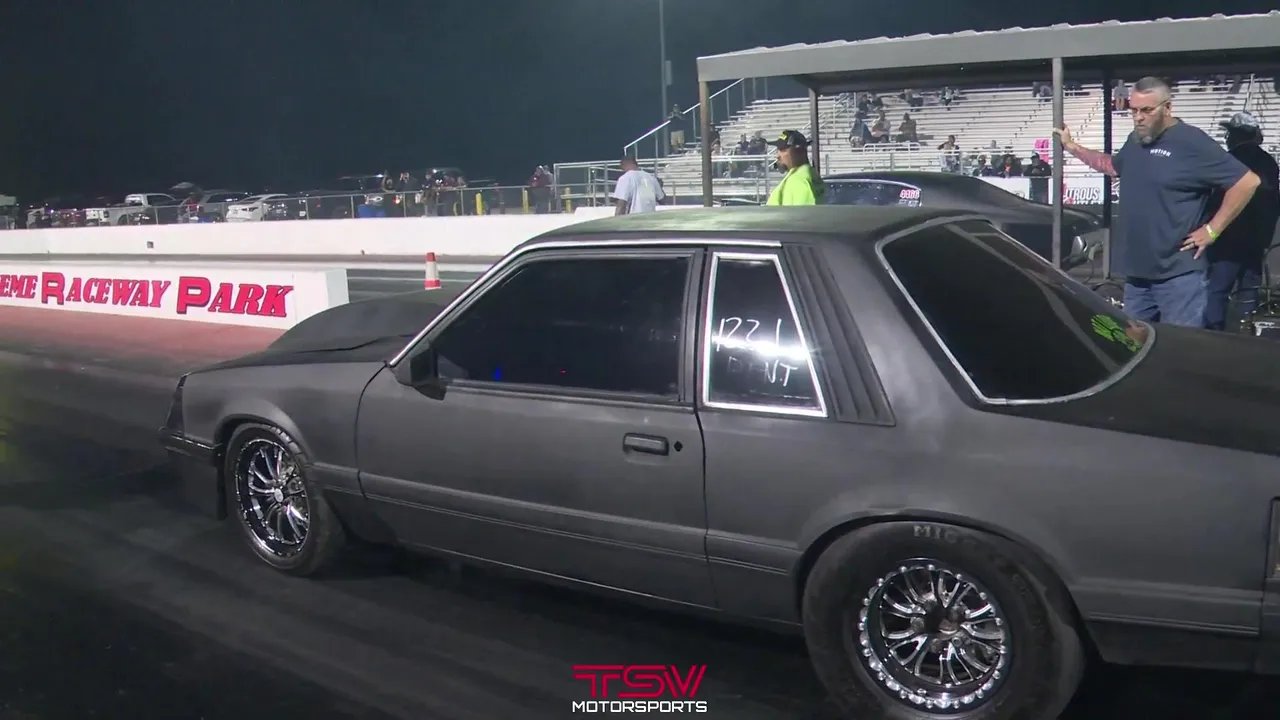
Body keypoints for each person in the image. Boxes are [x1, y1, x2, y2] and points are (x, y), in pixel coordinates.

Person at [1052, 76, 1261, 327]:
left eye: (1147, 110)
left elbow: (1247, 182)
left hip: (1179, 276)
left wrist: (1212, 230)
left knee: (1180, 345)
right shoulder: (1136, 139)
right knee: (1134, 344)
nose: (1138, 117)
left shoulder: (1192, 142)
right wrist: (1072, 147)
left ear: (1167, 108)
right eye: (1134, 110)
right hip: (1137, 277)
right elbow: (1112, 166)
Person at [1203, 112, 1280, 330]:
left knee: (1217, 290)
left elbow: (1214, 200)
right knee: (1248, 291)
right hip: (1257, 240)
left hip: (1227, 239)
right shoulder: (1268, 162)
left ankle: (1213, 335)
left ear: (1235, 135)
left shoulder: (1228, 160)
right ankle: (1246, 334)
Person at [765, 130, 824, 206]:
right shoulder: (808, 176)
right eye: (778, 150)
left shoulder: (800, 182)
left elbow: (806, 213)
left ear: (799, 151)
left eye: (783, 150)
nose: (777, 156)